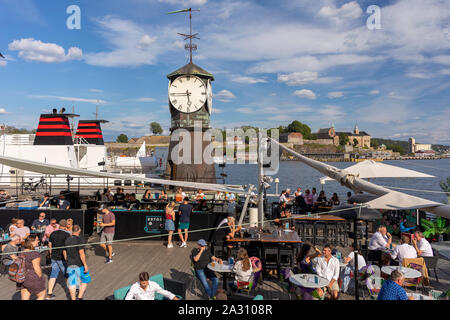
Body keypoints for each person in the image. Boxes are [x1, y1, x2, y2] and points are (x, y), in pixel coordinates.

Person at [46, 219, 70, 300]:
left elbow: (49, 245)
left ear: (59, 225)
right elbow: (67, 248)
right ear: (65, 225)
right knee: (67, 275)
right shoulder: (67, 235)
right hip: (62, 258)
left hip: (54, 257)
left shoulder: (53, 233)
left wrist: (50, 254)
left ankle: (49, 293)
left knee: (53, 275)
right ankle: (71, 291)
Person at [65, 225, 91, 300]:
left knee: (72, 283)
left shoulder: (67, 239)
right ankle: (79, 297)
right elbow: (81, 253)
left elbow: (64, 251)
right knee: (85, 280)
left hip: (70, 264)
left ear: (72, 230)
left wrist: (67, 259)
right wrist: (85, 265)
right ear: (79, 230)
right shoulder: (80, 240)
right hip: (79, 264)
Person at [18, 235, 46, 300]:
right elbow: (37, 269)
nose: (38, 242)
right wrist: (41, 278)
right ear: (31, 242)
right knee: (41, 296)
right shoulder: (34, 254)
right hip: (32, 277)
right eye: (37, 240)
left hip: (22, 277)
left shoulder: (21, 253)